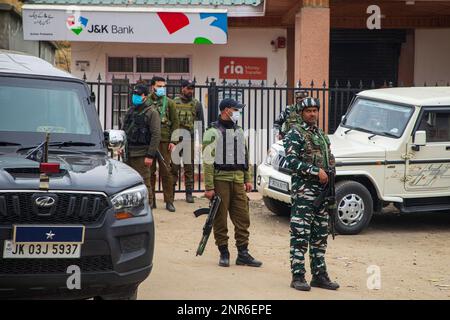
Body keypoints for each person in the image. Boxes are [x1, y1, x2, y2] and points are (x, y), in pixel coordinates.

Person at [283, 97, 340, 291]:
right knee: (300, 236)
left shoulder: (322, 136)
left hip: (323, 194)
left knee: (320, 236)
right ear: (301, 113)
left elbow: (329, 158)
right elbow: (290, 162)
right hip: (304, 193)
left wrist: (331, 169)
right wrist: (316, 172)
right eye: (308, 111)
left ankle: (319, 275)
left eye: (315, 110)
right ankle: (298, 276)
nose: (313, 114)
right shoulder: (295, 134)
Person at [202, 98, 262, 268]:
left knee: (243, 218)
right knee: (220, 218)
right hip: (220, 180)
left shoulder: (239, 130)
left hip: (237, 180)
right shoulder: (212, 132)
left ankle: (243, 253)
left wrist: (247, 178)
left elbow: (244, 154)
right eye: (236, 109)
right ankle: (224, 252)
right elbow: (207, 160)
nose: (238, 112)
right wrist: (209, 187)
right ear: (226, 110)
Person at [121, 84, 161, 207]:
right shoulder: (130, 110)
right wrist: (121, 146)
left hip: (142, 154)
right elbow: (124, 130)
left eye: (138, 95)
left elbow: (156, 135)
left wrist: (150, 155)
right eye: (134, 94)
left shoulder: (151, 112)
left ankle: (147, 208)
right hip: (128, 153)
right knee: (127, 183)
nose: (135, 97)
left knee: (144, 182)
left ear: (144, 96)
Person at [146, 76, 179, 212]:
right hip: (149, 141)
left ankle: (169, 201)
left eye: (163, 86)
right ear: (152, 86)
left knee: (166, 171)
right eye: (159, 86)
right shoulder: (146, 101)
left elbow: (176, 122)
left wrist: (173, 141)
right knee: (150, 172)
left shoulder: (170, 103)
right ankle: (151, 200)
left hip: (165, 141)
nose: (161, 89)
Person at [171, 79, 205, 203]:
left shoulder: (196, 104)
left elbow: (200, 123)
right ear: (182, 88)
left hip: (188, 138)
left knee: (189, 167)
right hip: (175, 138)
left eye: (192, 88)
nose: (191, 91)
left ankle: (189, 193)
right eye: (189, 88)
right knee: (173, 167)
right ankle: (171, 193)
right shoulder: (173, 102)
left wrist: (201, 141)